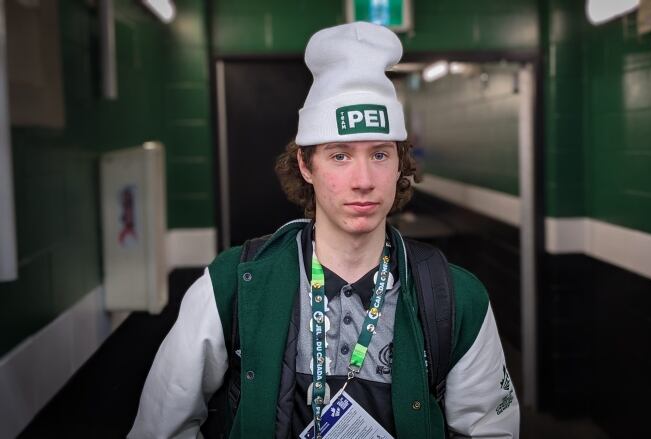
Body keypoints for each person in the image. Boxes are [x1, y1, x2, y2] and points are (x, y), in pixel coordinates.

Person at [129, 22, 519, 439]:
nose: (363, 179)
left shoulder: (456, 299)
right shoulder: (232, 285)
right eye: (339, 156)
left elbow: (490, 430)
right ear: (305, 165)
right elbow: (161, 427)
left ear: (400, 165)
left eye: (380, 154)